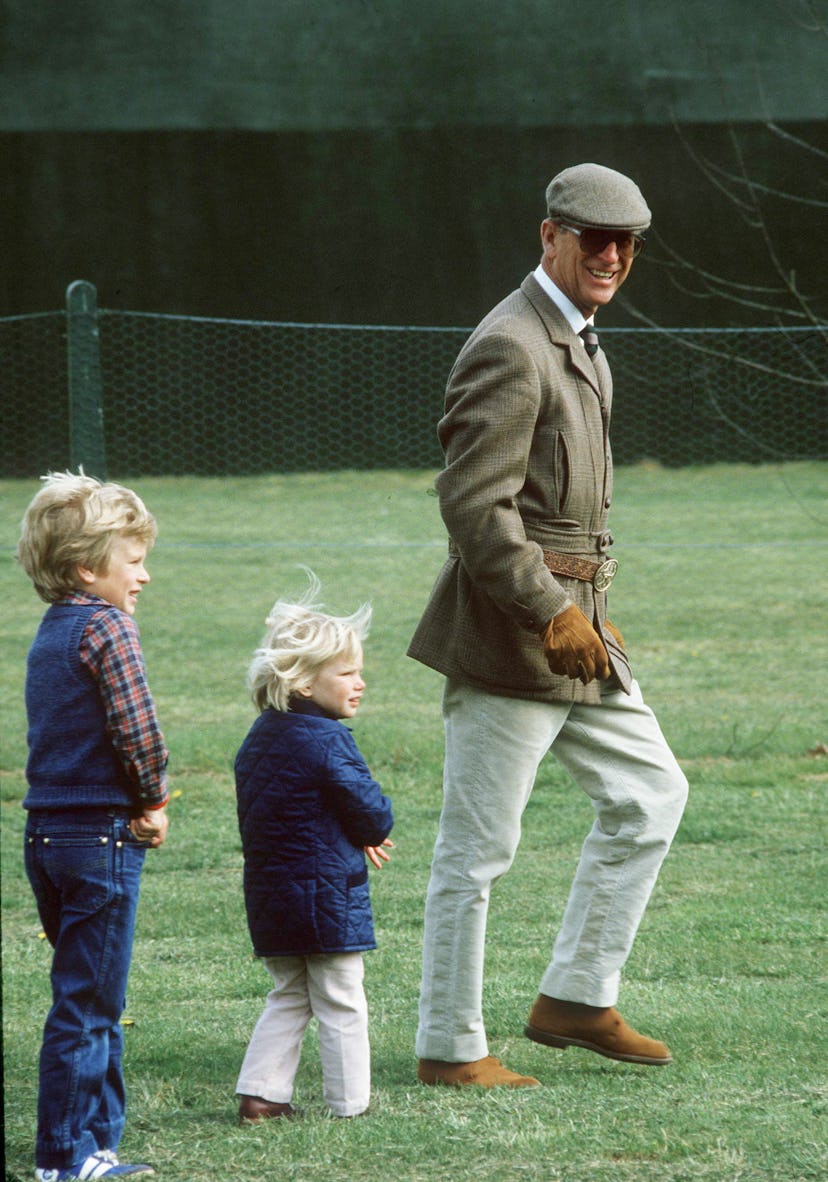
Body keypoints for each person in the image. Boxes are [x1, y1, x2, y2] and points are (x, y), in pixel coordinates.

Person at [408, 163, 689, 1088]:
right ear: (549, 237)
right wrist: (549, 609)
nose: (610, 254)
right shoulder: (511, 343)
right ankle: (451, 1049)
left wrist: (581, 618)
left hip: (583, 636)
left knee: (653, 798)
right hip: (510, 634)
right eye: (591, 237)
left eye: (625, 242)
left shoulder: (580, 339)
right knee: (477, 853)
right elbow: (475, 509)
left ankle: (575, 999)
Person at [17, 471, 169, 1179]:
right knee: (87, 1002)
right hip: (101, 836)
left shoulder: (50, 633)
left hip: (45, 835)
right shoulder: (109, 627)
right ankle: (67, 1158)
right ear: (87, 567)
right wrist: (153, 799)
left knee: (91, 991)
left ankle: (99, 1143)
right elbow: (137, 732)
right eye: (133, 560)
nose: (143, 575)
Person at [234, 575, 394, 1121]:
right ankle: (350, 1104)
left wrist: (351, 833)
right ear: (302, 683)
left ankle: (261, 1095)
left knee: (290, 993)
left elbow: (293, 811)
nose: (360, 682)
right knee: (342, 997)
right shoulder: (328, 740)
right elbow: (370, 808)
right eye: (347, 673)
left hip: (273, 896)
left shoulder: (259, 738)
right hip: (326, 896)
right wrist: (369, 831)